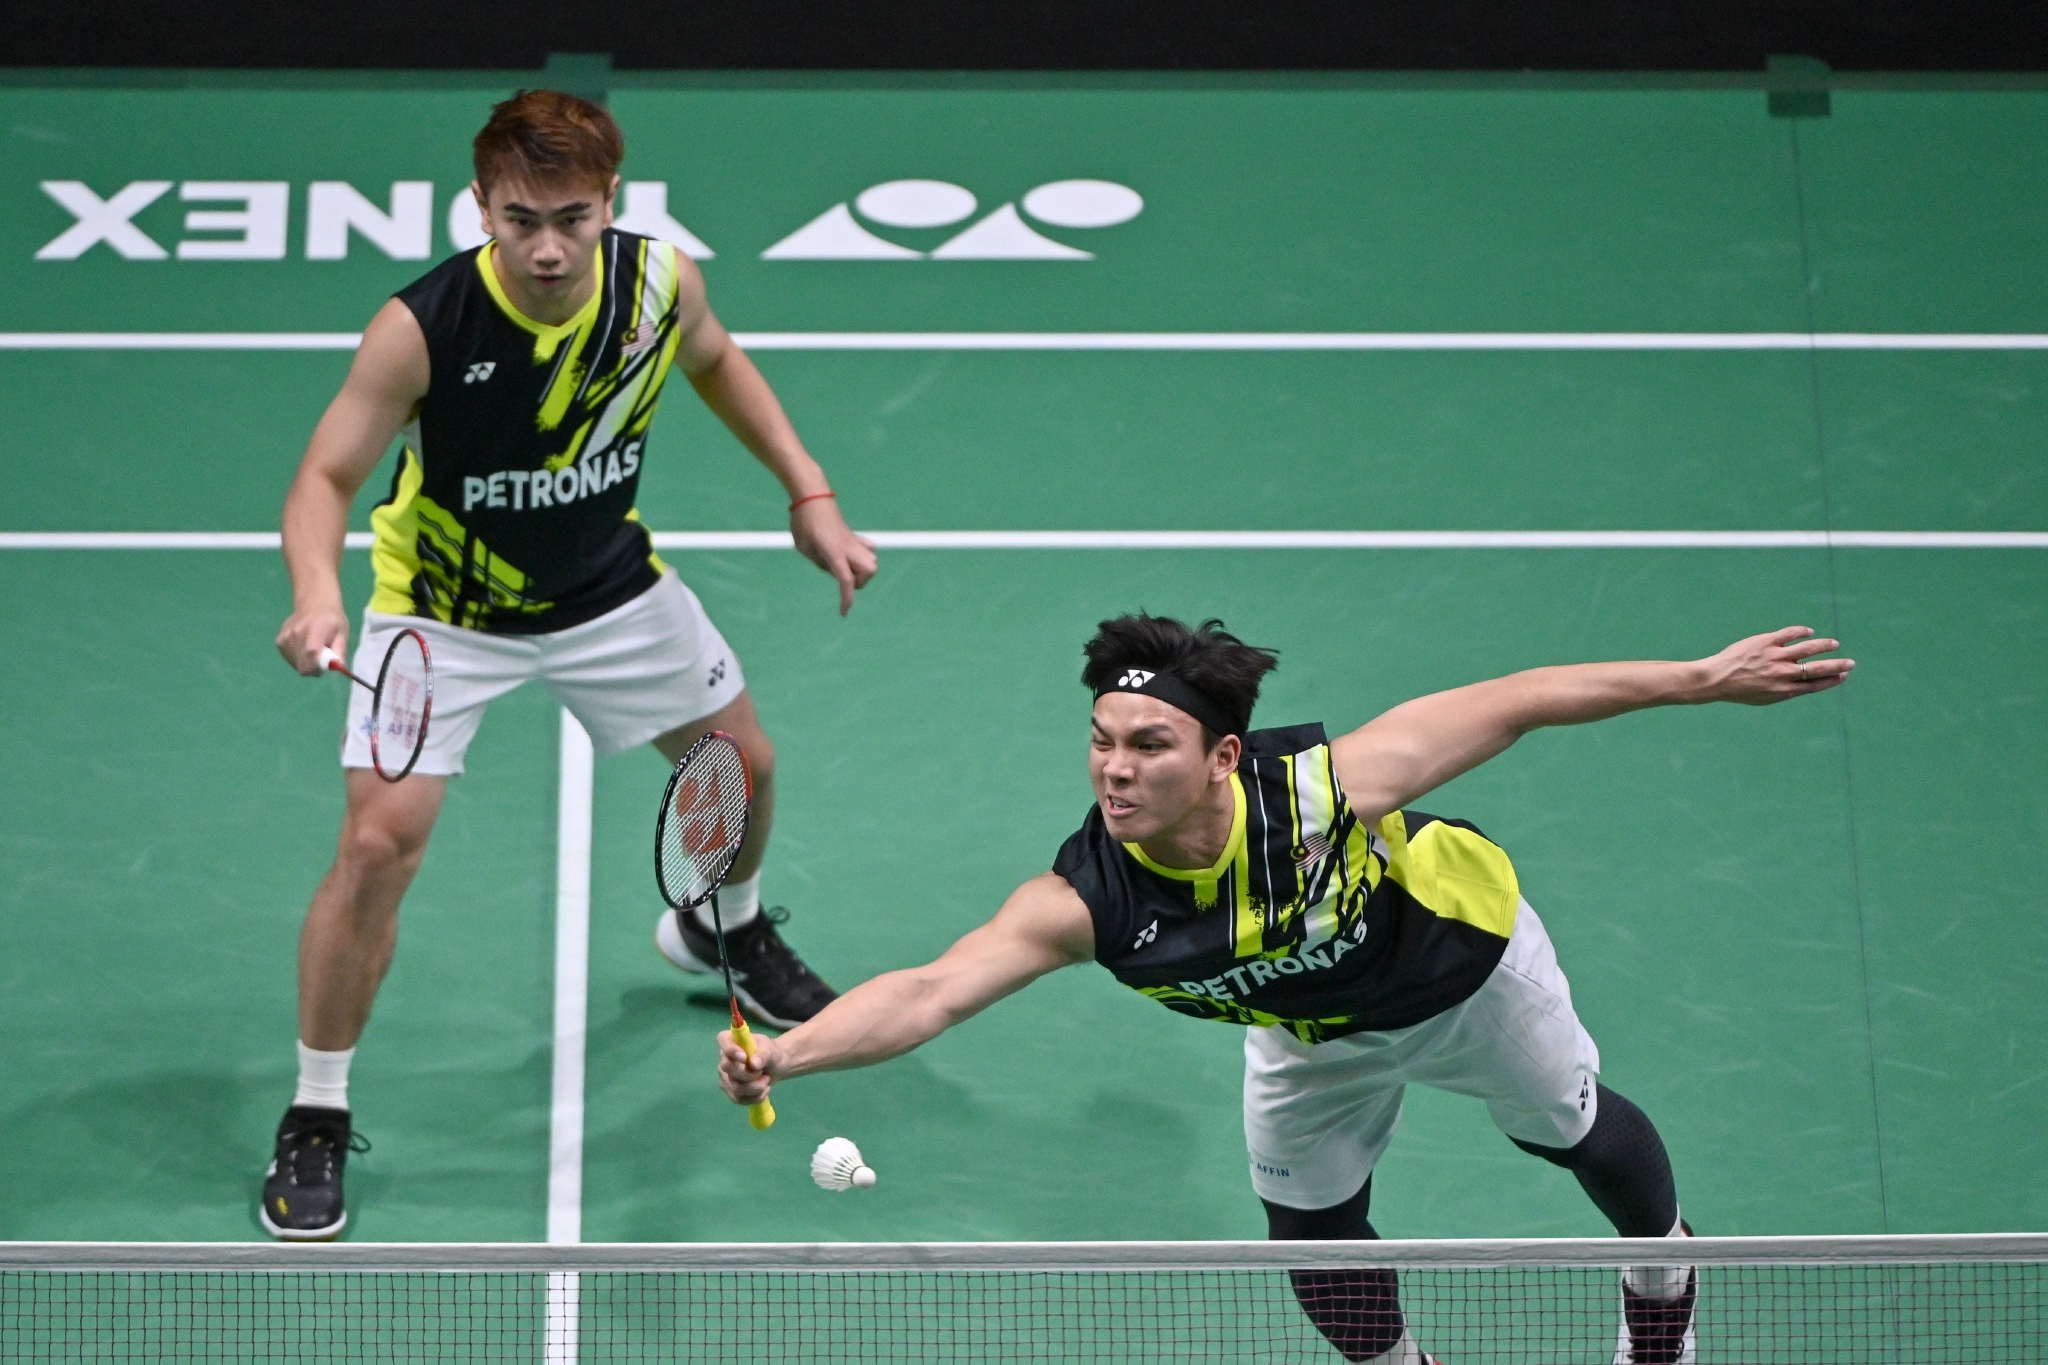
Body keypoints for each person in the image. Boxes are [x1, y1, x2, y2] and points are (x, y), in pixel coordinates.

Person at [717, 613, 1854, 1365]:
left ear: (1221, 757)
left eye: (1149, 744)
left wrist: (1704, 680)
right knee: (1309, 1233)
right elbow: (931, 990)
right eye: (1102, 741)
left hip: (1463, 973)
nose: (1115, 768)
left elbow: (1517, 698)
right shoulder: (1088, 900)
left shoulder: (1320, 793)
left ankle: (1662, 1290)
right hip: (1309, 1032)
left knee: (1570, 1126)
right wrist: (788, 1053)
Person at [264, 89, 877, 1241]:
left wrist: (809, 491)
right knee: (377, 847)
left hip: (605, 588)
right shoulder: (423, 325)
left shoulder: (658, 284)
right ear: (480, 208)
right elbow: (325, 477)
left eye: (571, 218)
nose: (546, 248)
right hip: (442, 611)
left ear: (611, 203)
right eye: (519, 220)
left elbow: (716, 360)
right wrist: (316, 593)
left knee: (741, 765)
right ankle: (317, 1107)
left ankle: (726, 926)